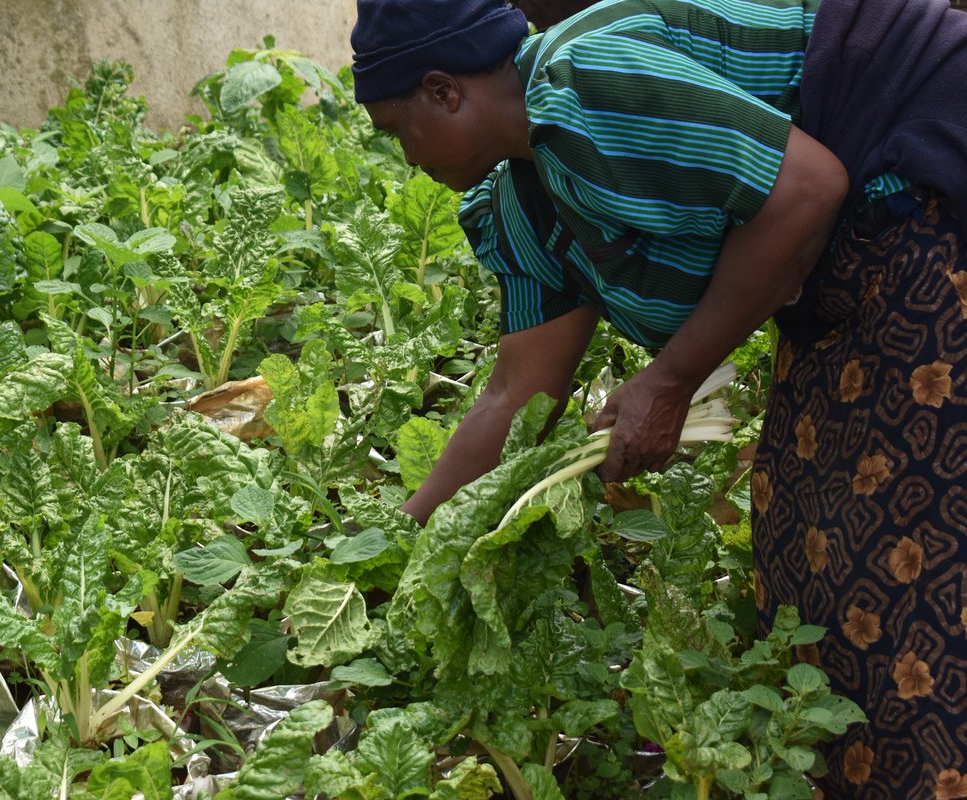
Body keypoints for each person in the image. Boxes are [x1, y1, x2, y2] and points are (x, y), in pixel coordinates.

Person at [350, 0, 967, 797]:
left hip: (919, 177)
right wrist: (404, 552)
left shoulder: (585, 85)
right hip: (850, 250)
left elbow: (809, 187)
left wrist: (668, 382)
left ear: (443, 92)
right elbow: (511, 394)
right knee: (793, 535)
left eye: (398, 130)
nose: (404, 157)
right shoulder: (529, 201)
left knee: (896, 554)